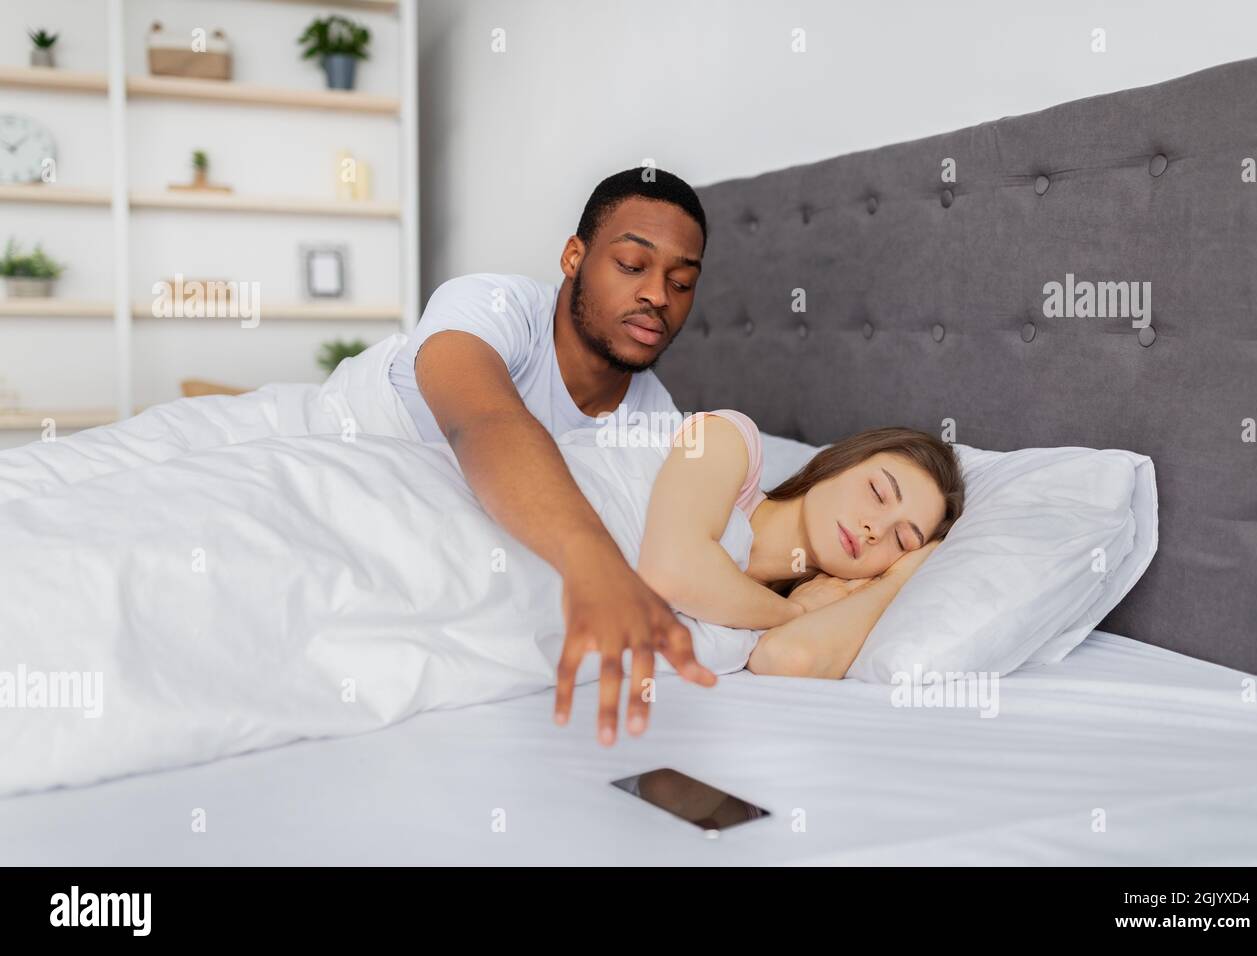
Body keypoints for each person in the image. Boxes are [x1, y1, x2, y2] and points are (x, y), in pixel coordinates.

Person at [387, 168, 713, 747]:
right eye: (632, 266)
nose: (657, 296)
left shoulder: (658, 424)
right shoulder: (493, 306)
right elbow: (484, 421)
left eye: (682, 282)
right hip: (310, 436)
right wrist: (595, 563)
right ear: (573, 257)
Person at [638, 410, 966, 678]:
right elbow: (671, 571)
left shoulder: (764, 613)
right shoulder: (731, 439)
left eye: (901, 540)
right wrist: (795, 611)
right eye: (877, 492)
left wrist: (896, 581)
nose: (875, 530)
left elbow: (786, 658)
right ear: (839, 461)